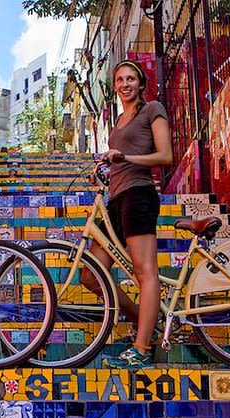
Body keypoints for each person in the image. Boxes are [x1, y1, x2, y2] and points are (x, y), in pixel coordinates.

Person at [83, 60, 173, 367]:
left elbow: (166, 155)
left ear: (141, 83)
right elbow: (118, 164)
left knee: (144, 271)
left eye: (131, 78)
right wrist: (104, 174)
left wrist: (125, 157)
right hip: (115, 199)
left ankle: (142, 349)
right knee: (91, 275)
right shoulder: (117, 123)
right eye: (120, 79)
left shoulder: (152, 110)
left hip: (139, 195)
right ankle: (147, 320)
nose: (125, 83)